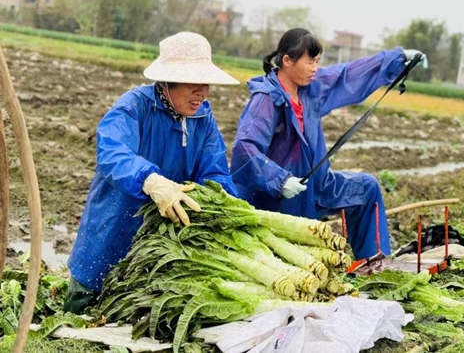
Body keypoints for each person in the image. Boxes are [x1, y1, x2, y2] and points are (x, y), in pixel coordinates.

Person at [65, 32, 240, 313]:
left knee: (127, 323)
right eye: (193, 83)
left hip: (158, 248)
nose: (202, 92)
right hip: (112, 230)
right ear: (167, 80)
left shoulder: (203, 120)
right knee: (78, 321)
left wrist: (220, 201)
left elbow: (216, 172)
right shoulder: (134, 106)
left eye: (205, 83)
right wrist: (151, 180)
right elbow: (111, 152)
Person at [230, 28, 425, 262]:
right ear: (286, 61)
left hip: (318, 185)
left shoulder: (310, 89)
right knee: (298, 257)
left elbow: (347, 75)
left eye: (317, 61)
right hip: (281, 197)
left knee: (367, 188)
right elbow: (246, 148)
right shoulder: (266, 99)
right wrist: (280, 180)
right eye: (310, 61)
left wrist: (398, 59)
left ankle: (374, 264)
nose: (315, 68)